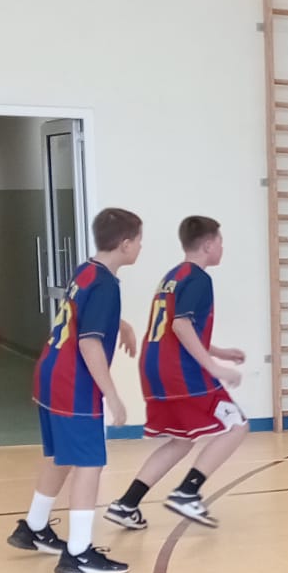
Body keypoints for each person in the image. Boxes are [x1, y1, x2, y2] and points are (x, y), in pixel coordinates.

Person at [7, 208, 143, 573]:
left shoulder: (87, 271)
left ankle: (34, 528)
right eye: (139, 240)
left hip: (49, 374)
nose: (140, 247)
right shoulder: (106, 285)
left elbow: (81, 314)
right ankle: (79, 553)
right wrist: (112, 395)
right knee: (89, 463)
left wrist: (122, 325)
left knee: (61, 457)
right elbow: (88, 343)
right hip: (74, 384)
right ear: (126, 244)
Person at [105, 216, 250, 529]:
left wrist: (218, 352)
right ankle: (187, 492)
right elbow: (181, 325)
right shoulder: (199, 279)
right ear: (208, 245)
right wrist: (214, 367)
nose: (222, 248)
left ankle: (126, 504)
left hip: (154, 368)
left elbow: (176, 329)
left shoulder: (173, 276)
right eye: (220, 242)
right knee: (237, 425)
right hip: (180, 372)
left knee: (181, 440)